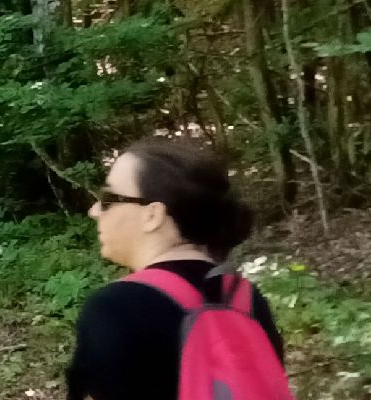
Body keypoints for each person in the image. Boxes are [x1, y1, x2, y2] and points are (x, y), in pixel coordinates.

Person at [66, 139, 290, 400]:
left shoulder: (114, 308)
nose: (94, 211)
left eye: (107, 198)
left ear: (152, 215)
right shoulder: (247, 299)